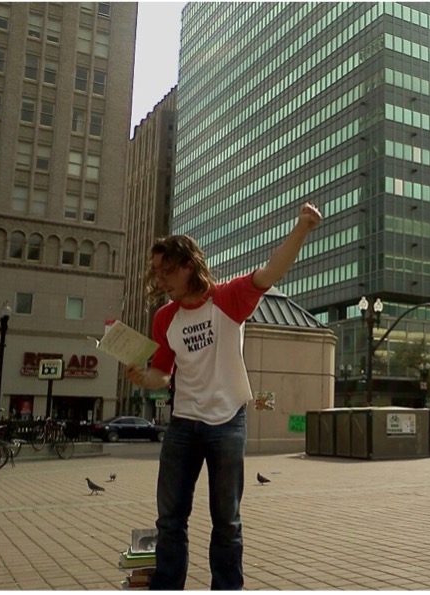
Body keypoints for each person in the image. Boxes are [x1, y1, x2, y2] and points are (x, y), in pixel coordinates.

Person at [125, 202, 322, 590]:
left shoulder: (228, 298)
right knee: (170, 520)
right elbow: (163, 373)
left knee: (226, 521)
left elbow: (271, 272)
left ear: (189, 265)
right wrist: (143, 378)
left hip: (227, 422)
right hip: (182, 424)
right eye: (157, 273)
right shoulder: (165, 318)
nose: (162, 280)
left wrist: (303, 228)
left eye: (168, 271)